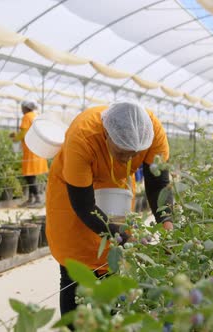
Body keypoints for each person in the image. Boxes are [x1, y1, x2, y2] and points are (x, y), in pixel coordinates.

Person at [45, 101, 173, 323]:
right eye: (123, 153)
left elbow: (157, 183)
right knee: (75, 267)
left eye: (135, 154)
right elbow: (84, 206)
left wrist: (168, 225)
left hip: (115, 192)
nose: (129, 160)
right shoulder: (83, 137)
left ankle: (107, 324)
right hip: (73, 196)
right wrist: (123, 236)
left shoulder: (152, 132)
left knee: (111, 265)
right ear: (106, 136)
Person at [10, 101, 49, 207]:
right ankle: (31, 199)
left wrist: (15, 139)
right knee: (31, 176)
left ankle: (37, 199)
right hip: (38, 150)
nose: (21, 110)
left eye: (22, 108)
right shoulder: (36, 116)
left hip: (31, 152)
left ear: (26, 108)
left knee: (29, 176)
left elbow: (23, 133)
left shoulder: (27, 117)